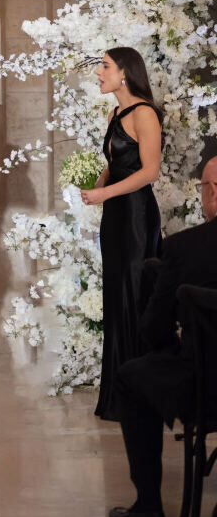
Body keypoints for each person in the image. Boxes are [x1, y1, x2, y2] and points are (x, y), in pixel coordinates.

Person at [106, 154, 217, 517]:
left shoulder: (185, 248)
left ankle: (149, 508)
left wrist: (173, 349)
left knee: (130, 378)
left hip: (205, 391)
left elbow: (153, 330)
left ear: (211, 193)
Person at [82, 47, 162, 421]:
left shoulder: (144, 113)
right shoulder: (116, 112)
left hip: (134, 217)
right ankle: (117, 396)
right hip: (115, 216)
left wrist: (105, 193)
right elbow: (116, 166)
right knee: (117, 298)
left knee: (133, 298)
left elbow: (149, 173)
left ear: (125, 74)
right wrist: (93, 186)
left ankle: (137, 397)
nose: (98, 72)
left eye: (105, 66)